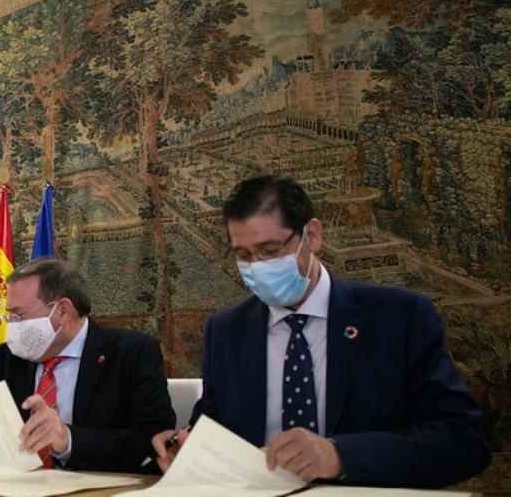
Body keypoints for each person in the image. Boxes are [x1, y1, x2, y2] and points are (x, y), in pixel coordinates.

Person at [153, 175, 490, 488]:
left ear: (311, 236)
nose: (258, 266)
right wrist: (185, 448)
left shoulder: (399, 318)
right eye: (243, 255)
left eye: (271, 251)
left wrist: (340, 455)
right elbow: (213, 431)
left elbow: (463, 441)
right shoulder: (226, 331)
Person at [0, 258, 175, 473]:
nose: (12, 327)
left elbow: (153, 439)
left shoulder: (132, 353)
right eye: (9, 316)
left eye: (19, 315)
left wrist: (68, 439)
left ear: (63, 312)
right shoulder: (7, 357)